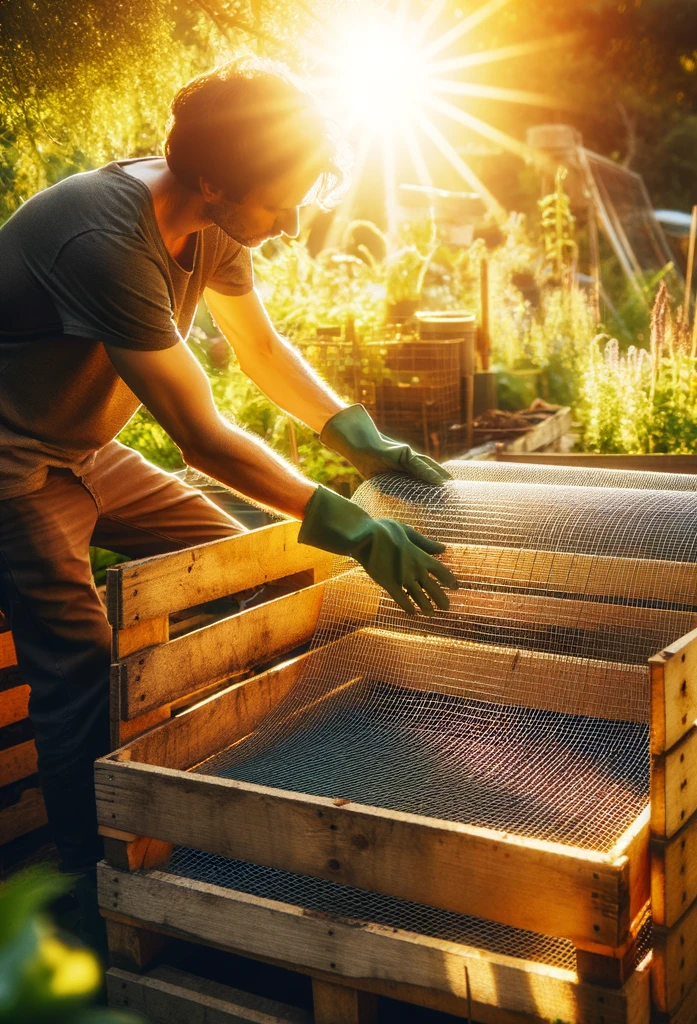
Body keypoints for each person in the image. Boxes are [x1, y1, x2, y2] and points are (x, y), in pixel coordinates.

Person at [0, 57, 458, 947]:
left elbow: (260, 348)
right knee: (80, 671)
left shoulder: (210, 222)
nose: (291, 222)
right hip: (12, 464)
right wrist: (353, 526)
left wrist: (354, 433)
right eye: (279, 203)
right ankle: (89, 886)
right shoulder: (101, 240)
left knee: (248, 568)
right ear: (211, 180)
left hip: (87, 449)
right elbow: (204, 439)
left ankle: (237, 797)